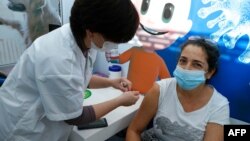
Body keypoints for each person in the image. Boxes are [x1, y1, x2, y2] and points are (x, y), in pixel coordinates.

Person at [0, 0, 140, 140]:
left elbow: (81, 77)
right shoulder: (58, 58)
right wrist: (119, 101)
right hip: (24, 128)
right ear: (91, 32)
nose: (113, 45)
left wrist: (112, 82)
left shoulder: (84, 40)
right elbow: (75, 117)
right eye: (112, 40)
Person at [126, 37, 230, 141]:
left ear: (210, 72)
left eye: (197, 64)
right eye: (183, 61)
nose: (186, 68)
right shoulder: (160, 89)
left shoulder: (218, 106)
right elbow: (134, 130)